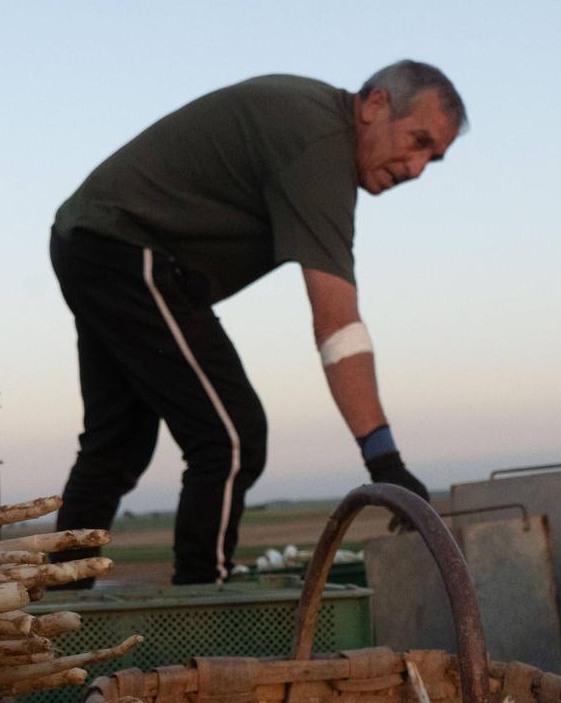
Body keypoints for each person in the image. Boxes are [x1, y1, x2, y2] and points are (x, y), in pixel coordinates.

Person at [47, 60, 467, 584]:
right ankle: (204, 601)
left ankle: (55, 610)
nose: (417, 168)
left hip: (93, 240)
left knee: (117, 445)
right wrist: (385, 461)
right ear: (375, 105)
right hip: (127, 247)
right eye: (418, 141)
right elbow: (338, 325)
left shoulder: (316, 128)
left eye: (434, 158)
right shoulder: (320, 146)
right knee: (231, 437)